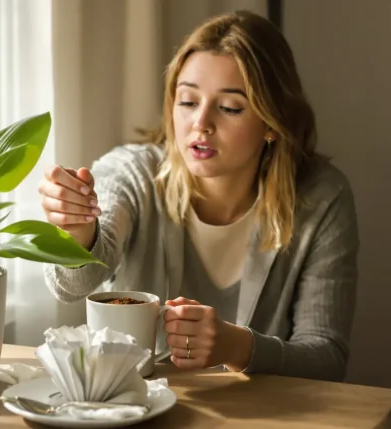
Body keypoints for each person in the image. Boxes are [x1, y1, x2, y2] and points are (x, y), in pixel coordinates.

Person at [38, 11, 358, 382]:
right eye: (188, 101)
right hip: (134, 409)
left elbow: (327, 358)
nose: (201, 124)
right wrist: (77, 232)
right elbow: (72, 286)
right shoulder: (130, 173)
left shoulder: (321, 199)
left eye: (229, 108)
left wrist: (235, 346)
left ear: (271, 122)